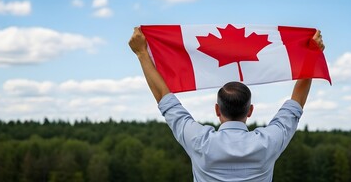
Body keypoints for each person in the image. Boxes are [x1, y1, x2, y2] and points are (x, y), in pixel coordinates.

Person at [129, 27, 325, 182]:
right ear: (250, 111)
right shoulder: (267, 142)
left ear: (217, 110)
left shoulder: (200, 141)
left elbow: (164, 97)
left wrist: (142, 53)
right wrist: (312, 55)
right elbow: (296, 103)